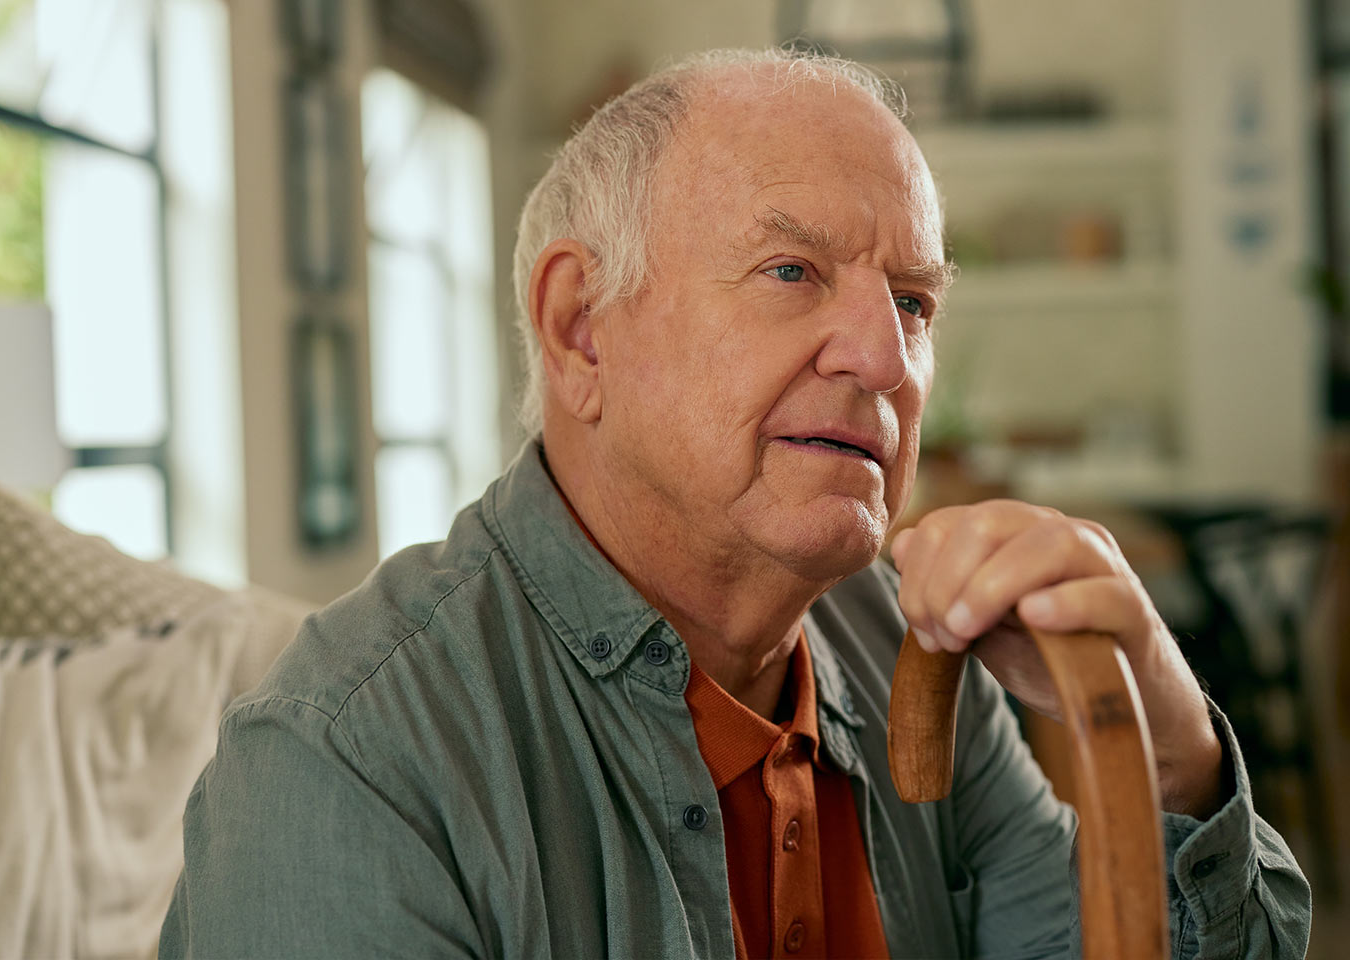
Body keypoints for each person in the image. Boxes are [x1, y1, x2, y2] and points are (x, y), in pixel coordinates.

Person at [160, 48, 1310, 959]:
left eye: (913, 301)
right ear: (580, 328)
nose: (884, 359)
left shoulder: (913, 647)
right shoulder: (343, 768)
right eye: (793, 272)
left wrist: (1169, 748)